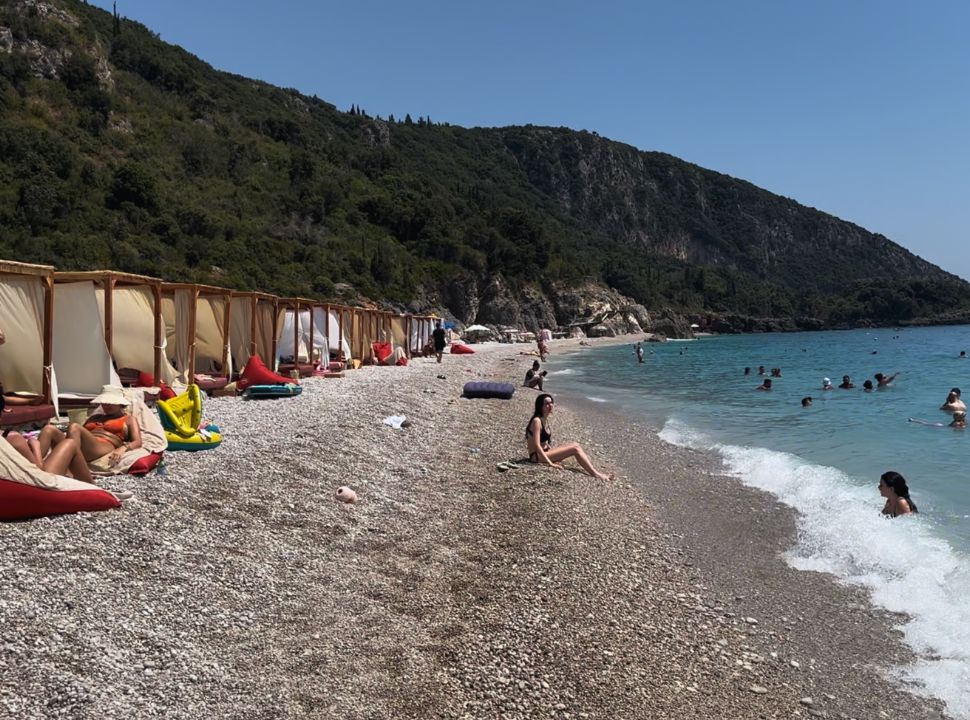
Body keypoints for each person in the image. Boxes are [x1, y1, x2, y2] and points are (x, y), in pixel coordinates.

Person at [41, 389, 142, 468]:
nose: (106, 405)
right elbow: (78, 434)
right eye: (104, 402)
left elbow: (137, 441)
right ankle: (33, 464)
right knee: (49, 429)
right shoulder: (95, 417)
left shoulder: (128, 419)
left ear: (120, 403)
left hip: (104, 445)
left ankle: (73, 467)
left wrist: (122, 449)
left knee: (74, 426)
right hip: (82, 445)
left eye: (110, 402)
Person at [524, 394, 614, 481]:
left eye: (551, 403)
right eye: (546, 404)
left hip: (544, 452)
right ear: (540, 406)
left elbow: (543, 441)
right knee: (574, 449)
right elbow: (536, 445)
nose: (550, 405)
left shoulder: (544, 419)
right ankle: (595, 474)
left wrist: (550, 449)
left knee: (575, 444)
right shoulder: (537, 421)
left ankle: (592, 470)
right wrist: (551, 464)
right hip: (536, 457)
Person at [3, 430, 93, 483]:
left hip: (9, 481)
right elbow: (38, 470)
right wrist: (35, 446)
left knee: (49, 429)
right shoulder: (12, 437)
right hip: (32, 483)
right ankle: (93, 490)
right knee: (70, 443)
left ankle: (68, 474)